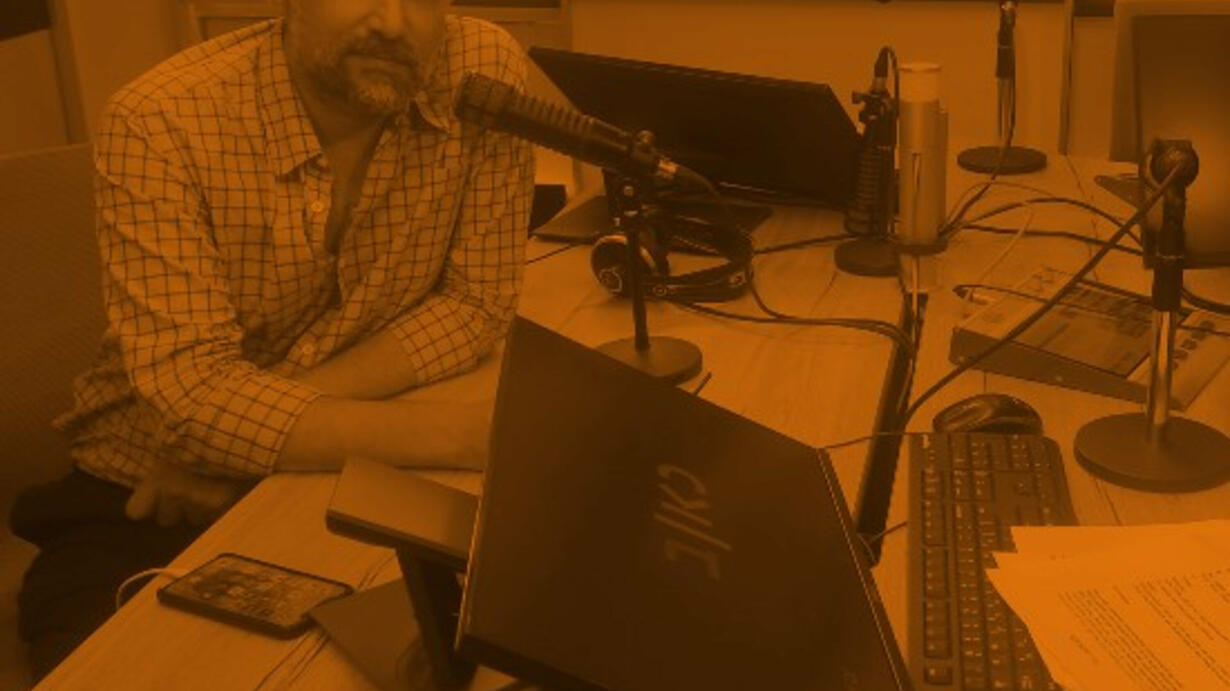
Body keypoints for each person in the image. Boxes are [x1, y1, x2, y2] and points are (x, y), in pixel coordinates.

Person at [9, 0, 534, 679]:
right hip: (143, 500)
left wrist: (233, 443)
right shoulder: (162, 118)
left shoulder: (481, 69)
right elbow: (192, 400)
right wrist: (469, 436)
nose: (392, 22)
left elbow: (474, 302)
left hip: (284, 468)